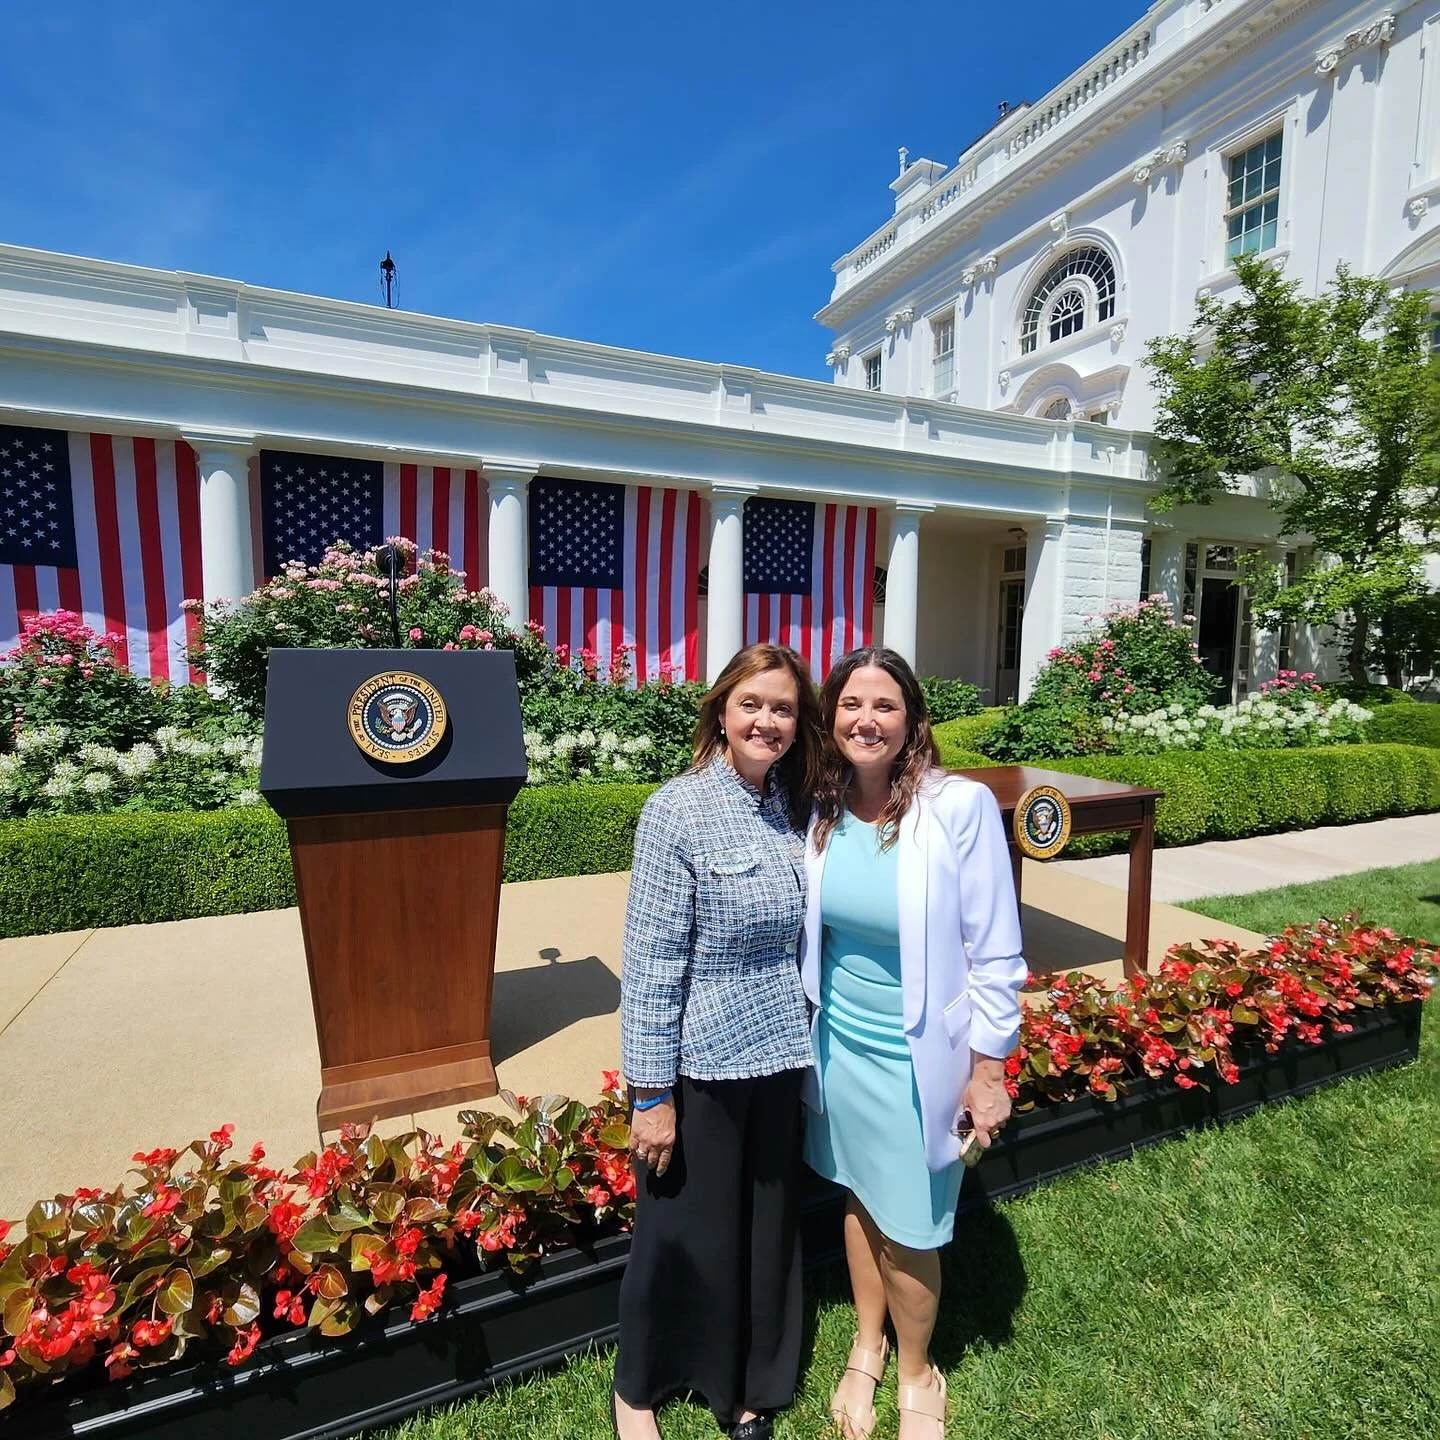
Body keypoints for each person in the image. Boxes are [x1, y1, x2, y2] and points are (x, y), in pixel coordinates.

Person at [800, 647, 1026, 1440]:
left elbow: (996, 950)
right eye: (850, 704)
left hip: (919, 1055)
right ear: (831, 717)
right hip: (840, 1044)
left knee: (914, 1227)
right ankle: (867, 1345)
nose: (866, 720)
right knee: (860, 1198)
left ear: (913, 720)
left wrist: (988, 1070)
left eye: (885, 705)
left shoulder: (958, 808)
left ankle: (918, 1369)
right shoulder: (820, 807)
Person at [613, 644, 824, 1440]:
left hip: (783, 1056)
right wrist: (652, 1094)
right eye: (752, 704)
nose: (767, 721)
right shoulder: (677, 810)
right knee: (682, 1234)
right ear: (722, 712)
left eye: (783, 708)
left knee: (765, 1232)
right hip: (702, 1063)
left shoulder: (798, 806)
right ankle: (639, 1388)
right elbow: (652, 961)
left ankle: (748, 1381)